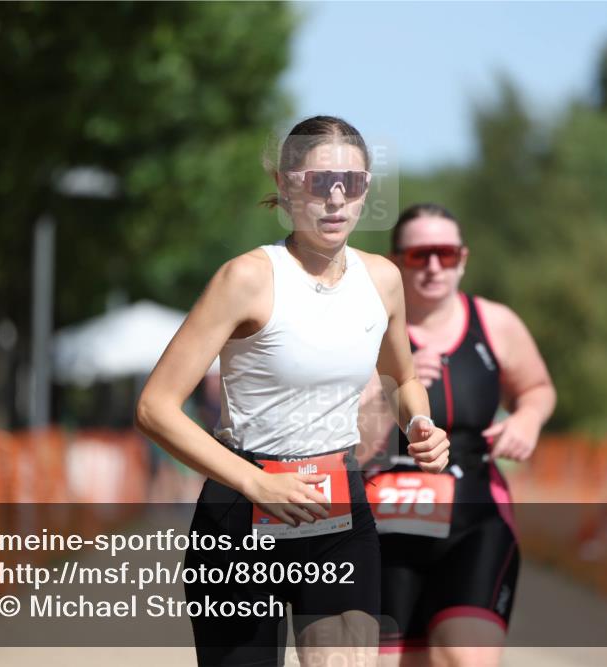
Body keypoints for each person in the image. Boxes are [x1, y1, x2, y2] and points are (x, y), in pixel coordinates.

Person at [135, 117, 450, 667]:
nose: (334, 198)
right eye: (317, 180)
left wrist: (419, 423)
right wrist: (257, 483)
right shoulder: (247, 278)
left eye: (349, 184)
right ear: (284, 186)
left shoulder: (382, 280)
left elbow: (402, 378)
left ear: (366, 190)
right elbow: (155, 407)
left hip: (337, 511)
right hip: (239, 513)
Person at [358, 203, 556, 667]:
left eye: (445, 255)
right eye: (419, 255)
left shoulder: (496, 323)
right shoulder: (364, 330)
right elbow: (345, 443)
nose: (432, 267)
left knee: (463, 658)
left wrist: (527, 420)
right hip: (383, 532)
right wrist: (391, 390)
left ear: (462, 259)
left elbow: (538, 389)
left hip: (475, 521)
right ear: (396, 260)